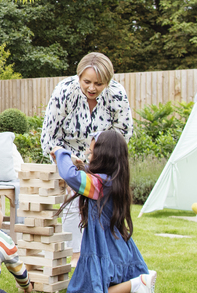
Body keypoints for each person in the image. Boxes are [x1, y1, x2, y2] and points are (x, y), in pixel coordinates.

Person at [40, 52, 134, 256]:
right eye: (87, 82)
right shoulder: (65, 91)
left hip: (103, 162)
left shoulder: (117, 95)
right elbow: (49, 138)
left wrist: (100, 165)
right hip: (68, 159)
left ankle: (107, 254)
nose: (92, 88)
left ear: (108, 81)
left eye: (99, 84)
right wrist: (66, 162)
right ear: (79, 76)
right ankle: (75, 257)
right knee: (73, 207)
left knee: (103, 211)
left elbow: (122, 135)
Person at [51, 129, 157, 293]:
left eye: (92, 153)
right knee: (98, 289)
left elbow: (70, 176)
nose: (89, 155)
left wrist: (62, 152)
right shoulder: (111, 180)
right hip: (116, 247)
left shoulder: (100, 184)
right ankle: (140, 281)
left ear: (103, 156)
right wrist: (76, 163)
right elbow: (83, 176)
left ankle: (137, 284)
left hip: (105, 248)